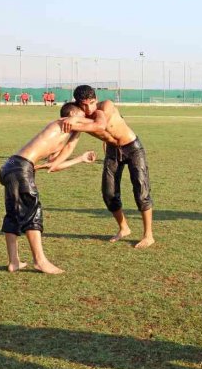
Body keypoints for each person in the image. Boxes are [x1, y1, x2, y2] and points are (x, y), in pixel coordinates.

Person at [0, 102, 97, 274]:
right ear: (72, 114)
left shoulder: (63, 136)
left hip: (12, 167)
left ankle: (13, 262)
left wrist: (80, 158)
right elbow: (93, 124)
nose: (84, 120)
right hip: (20, 167)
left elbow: (54, 165)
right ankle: (40, 261)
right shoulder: (60, 123)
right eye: (82, 115)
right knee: (33, 213)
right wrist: (99, 115)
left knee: (14, 215)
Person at [59, 85, 155, 248]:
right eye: (83, 105)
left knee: (141, 191)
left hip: (132, 148)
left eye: (91, 103)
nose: (88, 108)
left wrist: (73, 123)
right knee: (109, 193)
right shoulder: (79, 116)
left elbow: (100, 126)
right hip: (112, 151)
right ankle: (124, 228)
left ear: (96, 99)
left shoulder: (106, 106)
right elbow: (70, 145)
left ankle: (148, 235)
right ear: (77, 103)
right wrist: (53, 162)